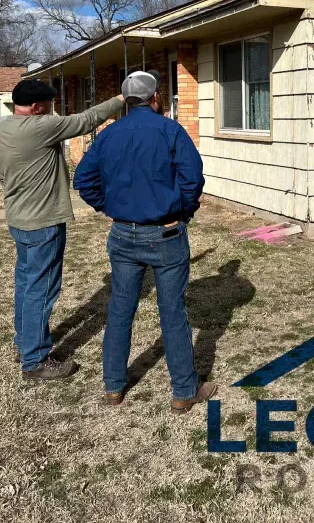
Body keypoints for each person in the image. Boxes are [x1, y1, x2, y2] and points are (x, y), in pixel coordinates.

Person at [73, 70, 217, 411]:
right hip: (166, 233)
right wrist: (183, 210)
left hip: (124, 233)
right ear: (155, 98)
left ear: (126, 101)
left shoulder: (108, 135)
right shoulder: (170, 130)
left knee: (120, 309)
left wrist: (109, 207)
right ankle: (184, 392)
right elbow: (193, 179)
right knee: (172, 312)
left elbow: (84, 179)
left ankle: (114, 388)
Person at [0, 78, 124, 381]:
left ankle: (25, 344)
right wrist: (120, 98)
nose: (53, 109)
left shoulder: (3, 128)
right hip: (43, 223)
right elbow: (86, 120)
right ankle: (36, 360)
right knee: (42, 288)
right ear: (37, 107)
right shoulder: (40, 126)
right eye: (50, 104)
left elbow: (1, 173)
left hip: (19, 219)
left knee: (26, 284)